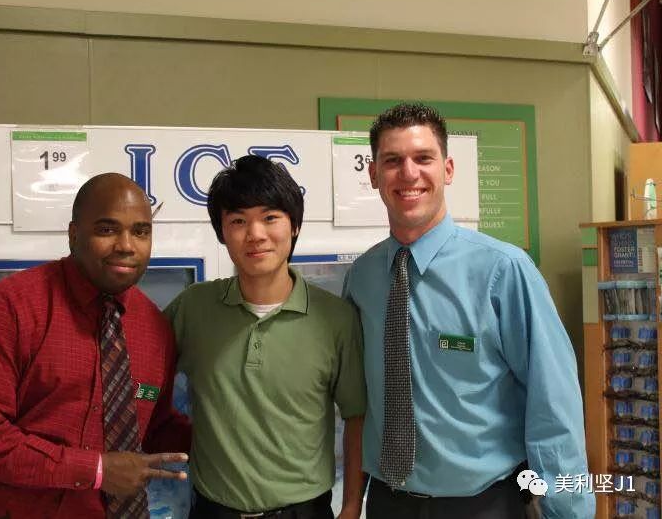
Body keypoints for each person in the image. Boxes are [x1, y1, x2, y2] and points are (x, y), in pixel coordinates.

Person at [343, 103, 594, 518]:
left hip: (485, 505)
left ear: (448, 169)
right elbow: (361, 401)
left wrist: (568, 512)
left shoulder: (503, 271)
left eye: (424, 158)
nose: (409, 173)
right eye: (392, 161)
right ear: (373, 175)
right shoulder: (363, 278)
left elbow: (554, 406)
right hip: (388, 504)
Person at [0, 173, 191, 519]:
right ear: (74, 234)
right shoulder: (10, 308)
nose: (126, 245)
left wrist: (229, 439)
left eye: (140, 232)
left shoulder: (154, 327)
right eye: (107, 229)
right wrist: (95, 470)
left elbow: (153, 428)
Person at [164, 155, 367, 519]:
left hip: (304, 512)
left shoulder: (336, 318)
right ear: (221, 232)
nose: (255, 234)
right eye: (238, 221)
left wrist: (351, 505)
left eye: (270, 217)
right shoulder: (193, 308)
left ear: (295, 225)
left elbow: (357, 416)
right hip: (213, 511)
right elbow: (141, 375)